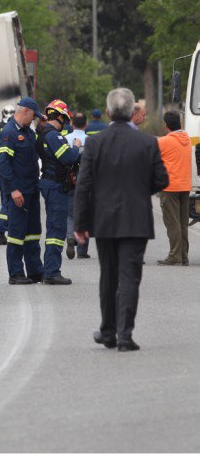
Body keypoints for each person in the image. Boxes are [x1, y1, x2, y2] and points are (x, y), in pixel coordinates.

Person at [74, 88, 168, 352]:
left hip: (103, 220)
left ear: (107, 112)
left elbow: (84, 186)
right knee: (129, 277)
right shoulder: (148, 143)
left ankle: (108, 330)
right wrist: (139, 192)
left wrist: (80, 224)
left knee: (108, 276)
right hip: (136, 219)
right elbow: (162, 180)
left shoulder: (95, 142)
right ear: (132, 112)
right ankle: (125, 334)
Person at [0, 97, 47, 284]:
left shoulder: (28, 132)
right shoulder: (9, 133)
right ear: (25, 111)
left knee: (33, 233)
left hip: (32, 190)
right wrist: (13, 190)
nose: (33, 120)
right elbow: (2, 165)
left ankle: (35, 271)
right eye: (33, 116)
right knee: (17, 234)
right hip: (19, 192)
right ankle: (15, 273)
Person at [37, 100, 81, 284]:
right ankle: (52, 272)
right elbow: (68, 157)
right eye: (65, 118)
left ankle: (50, 270)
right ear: (61, 117)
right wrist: (76, 146)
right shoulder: (54, 136)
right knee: (57, 229)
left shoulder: (44, 134)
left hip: (51, 184)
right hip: (56, 187)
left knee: (55, 227)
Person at [156, 110, 191, 266]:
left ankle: (174, 256)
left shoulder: (164, 142)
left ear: (166, 125)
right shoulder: (187, 139)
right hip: (185, 185)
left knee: (172, 222)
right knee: (182, 222)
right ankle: (183, 256)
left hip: (169, 187)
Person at [64, 112, 90, 259]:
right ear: (86, 124)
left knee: (70, 214)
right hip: (86, 183)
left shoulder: (65, 139)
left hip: (70, 181)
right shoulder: (90, 141)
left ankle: (70, 237)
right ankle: (82, 250)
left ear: (72, 124)